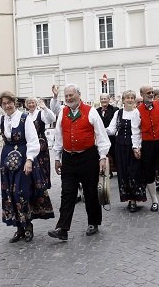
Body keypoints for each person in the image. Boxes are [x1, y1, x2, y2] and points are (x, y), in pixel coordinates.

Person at [48, 84, 110, 240]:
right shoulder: (63, 112)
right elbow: (59, 136)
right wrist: (57, 158)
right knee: (67, 193)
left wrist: (102, 157)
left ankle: (93, 222)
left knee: (90, 192)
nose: (69, 98)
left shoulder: (91, 111)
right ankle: (62, 228)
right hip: (68, 158)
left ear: (79, 94)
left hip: (88, 157)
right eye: (66, 96)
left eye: (71, 95)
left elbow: (102, 136)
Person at [0, 92, 54, 243]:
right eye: (4, 103)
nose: (7, 106)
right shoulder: (2, 119)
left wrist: (29, 160)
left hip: (24, 159)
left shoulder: (25, 118)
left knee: (21, 192)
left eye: (9, 102)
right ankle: (19, 228)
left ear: (15, 103)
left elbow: (33, 140)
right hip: (7, 161)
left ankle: (28, 226)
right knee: (10, 193)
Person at [131, 85, 159, 215]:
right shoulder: (137, 111)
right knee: (149, 173)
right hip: (147, 144)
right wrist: (136, 147)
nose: (151, 94)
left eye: (152, 92)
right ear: (142, 94)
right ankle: (154, 201)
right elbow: (135, 132)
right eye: (148, 93)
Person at [106, 90, 146, 212]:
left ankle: (134, 199)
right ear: (123, 100)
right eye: (127, 98)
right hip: (120, 146)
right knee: (123, 172)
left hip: (133, 145)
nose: (129, 100)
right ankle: (128, 199)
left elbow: (139, 133)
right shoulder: (118, 113)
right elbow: (112, 129)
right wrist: (100, 130)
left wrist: (137, 147)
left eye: (131, 98)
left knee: (134, 171)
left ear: (134, 100)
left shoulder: (137, 113)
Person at [25, 97, 56, 188]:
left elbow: (52, 119)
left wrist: (45, 108)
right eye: (29, 103)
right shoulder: (25, 116)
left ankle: (43, 186)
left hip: (41, 144)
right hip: (29, 145)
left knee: (42, 166)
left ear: (36, 104)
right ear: (26, 105)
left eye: (33, 103)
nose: (31, 105)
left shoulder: (41, 114)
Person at [97, 93, 119, 178]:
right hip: (101, 137)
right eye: (102, 99)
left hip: (112, 138)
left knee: (114, 154)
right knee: (102, 154)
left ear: (109, 100)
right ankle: (106, 171)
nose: (103, 100)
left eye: (105, 98)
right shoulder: (97, 111)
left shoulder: (114, 109)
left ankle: (118, 170)